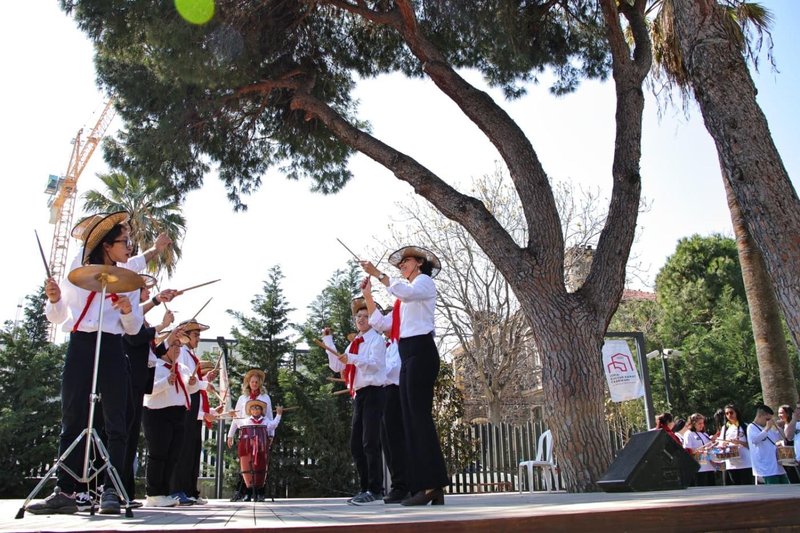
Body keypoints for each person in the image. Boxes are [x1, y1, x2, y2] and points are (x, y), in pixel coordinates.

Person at [31, 212, 143, 515]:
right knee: (73, 416)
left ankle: (110, 490)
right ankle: (65, 491)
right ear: (107, 246)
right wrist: (54, 300)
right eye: (124, 242)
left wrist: (127, 309)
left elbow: (133, 329)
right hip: (81, 343)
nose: (130, 247)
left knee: (116, 421)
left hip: (111, 346)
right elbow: (58, 317)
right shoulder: (77, 270)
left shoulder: (129, 279)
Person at [360, 245, 449, 506]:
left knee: (418, 418)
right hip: (408, 353)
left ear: (419, 263)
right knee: (412, 420)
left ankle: (431, 484)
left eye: (405, 261)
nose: (401, 265)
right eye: (399, 263)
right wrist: (368, 294)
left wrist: (378, 274)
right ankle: (429, 485)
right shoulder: (402, 301)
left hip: (421, 351)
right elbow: (381, 323)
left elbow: (406, 292)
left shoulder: (423, 283)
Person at [322, 297, 389, 505]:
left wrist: (352, 359)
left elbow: (376, 365)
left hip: (375, 392)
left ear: (373, 318)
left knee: (370, 441)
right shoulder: (354, 343)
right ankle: (364, 487)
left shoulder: (376, 340)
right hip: (359, 395)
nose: (361, 319)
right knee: (356, 444)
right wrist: (328, 342)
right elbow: (337, 366)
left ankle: (375, 489)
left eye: (366, 315)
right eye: (358, 316)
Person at [120, 275, 176, 508]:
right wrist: (161, 326)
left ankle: (126, 492)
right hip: (128, 378)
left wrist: (169, 334)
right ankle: (117, 489)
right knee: (123, 437)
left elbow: (153, 352)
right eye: (143, 290)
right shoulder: (128, 318)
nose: (145, 293)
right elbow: (134, 340)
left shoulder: (140, 321)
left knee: (131, 439)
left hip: (138, 383)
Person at [169, 319, 217, 505]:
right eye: (196, 335)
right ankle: (178, 489)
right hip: (186, 406)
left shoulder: (190, 355)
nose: (198, 338)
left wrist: (203, 379)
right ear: (186, 336)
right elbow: (186, 380)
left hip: (194, 407)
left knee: (193, 451)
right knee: (183, 451)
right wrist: (204, 383)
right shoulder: (181, 353)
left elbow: (192, 380)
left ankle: (190, 490)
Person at [141, 338, 190, 507]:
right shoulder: (155, 366)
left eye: (180, 346)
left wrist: (196, 383)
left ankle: (164, 491)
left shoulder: (181, 368)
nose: (178, 349)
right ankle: (153, 493)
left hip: (178, 412)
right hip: (157, 412)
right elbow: (147, 391)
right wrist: (165, 382)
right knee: (158, 453)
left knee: (173, 454)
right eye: (174, 345)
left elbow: (190, 387)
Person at [227, 368, 281, 502]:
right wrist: (230, 434)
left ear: (260, 383)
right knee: (246, 461)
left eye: (257, 381)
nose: (254, 384)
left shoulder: (265, 397)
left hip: (261, 433)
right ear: (248, 382)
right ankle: (246, 492)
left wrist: (271, 434)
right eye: (252, 381)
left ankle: (260, 492)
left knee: (260, 461)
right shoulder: (242, 398)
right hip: (246, 433)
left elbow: (269, 416)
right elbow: (237, 417)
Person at [748, 404, 790, 484]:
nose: (769, 421)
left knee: (785, 489)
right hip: (766, 469)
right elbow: (755, 440)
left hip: (777, 466)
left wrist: (779, 427)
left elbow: (780, 437)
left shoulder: (767, 429)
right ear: (760, 416)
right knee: (773, 492)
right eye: (767, 419)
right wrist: (767, 428)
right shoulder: (751, 427)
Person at [719, 404, 753, 485]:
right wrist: (723, 444)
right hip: (731, 463)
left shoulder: (745, 426)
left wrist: (739, 442)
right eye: (727, 413)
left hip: (745, 463)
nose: (729, 415)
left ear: (736, 413)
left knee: (747, 487)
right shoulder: (725, 428)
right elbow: (720, 444)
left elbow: (752, 445)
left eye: (731, 412)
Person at [682, 413, 716, 486]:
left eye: (703, 423)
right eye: (699, 423)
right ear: (693, 424)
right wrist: (699, 451)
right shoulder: (689, 434)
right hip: (699, 468)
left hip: (709, 467)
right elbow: (687, 451)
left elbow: (710, 448)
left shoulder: (704, 434)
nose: (702, 425)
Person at [777, 404, 800, 483]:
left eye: (781, 413)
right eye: (778, 413)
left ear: (788, 413)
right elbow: (787, 437)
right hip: (789, 457)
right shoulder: (784, 425)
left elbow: (788, 439)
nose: (779, 415)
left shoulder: (794, 424)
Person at [783, 403, 800, 482]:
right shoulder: (795, 423)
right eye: (797, 408)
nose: (797, 411)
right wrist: (794, 419)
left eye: (799, 408)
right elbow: (788, 436)